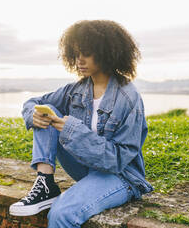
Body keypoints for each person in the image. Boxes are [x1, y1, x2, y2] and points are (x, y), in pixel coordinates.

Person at [9, 20, 153, 227]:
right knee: (45, 112)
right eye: (76, 54)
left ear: (107, 52)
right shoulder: (76, 90)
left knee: (61, 214)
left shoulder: (128, 98)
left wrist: (73, 131)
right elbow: (34, 102)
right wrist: (32, 113)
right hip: (86, 167)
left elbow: (118, 160)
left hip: (119, 176)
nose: (79, 60)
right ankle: (45, 183)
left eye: (86, 53)